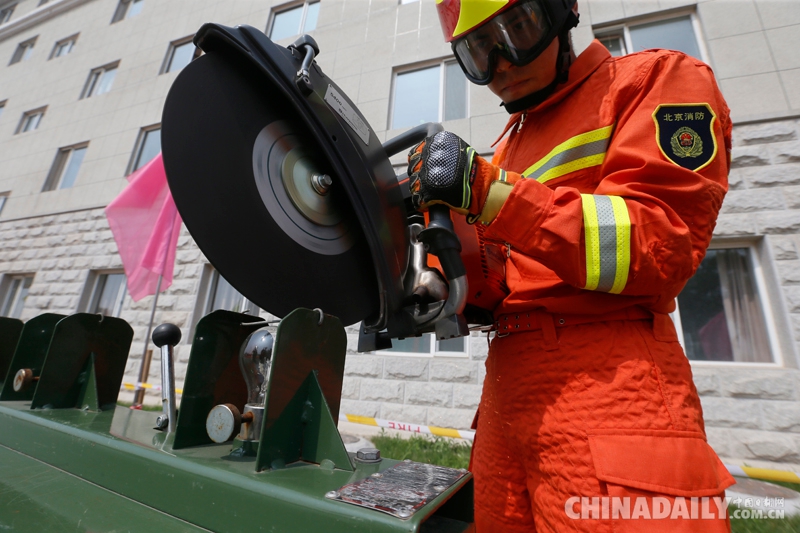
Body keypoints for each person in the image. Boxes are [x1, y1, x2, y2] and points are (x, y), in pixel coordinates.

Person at [407, 0, 735, 531]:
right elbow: (496, 279)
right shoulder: (504, 146)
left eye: (516, 30)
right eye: (478, 52)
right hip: (506, 395)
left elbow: (659, 245)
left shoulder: (653, 81)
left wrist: (492, 195)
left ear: (562, 13)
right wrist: (434, 275)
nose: (502, 64)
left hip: (611, 384)